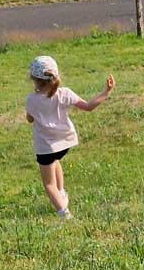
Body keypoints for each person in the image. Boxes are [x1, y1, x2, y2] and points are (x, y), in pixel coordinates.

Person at [23, 54, 114, 220]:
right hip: (64, 144)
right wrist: (106, 92)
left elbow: (30, 119)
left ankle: (64, 213)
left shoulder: (31, 99)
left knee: (49, 184)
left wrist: (32, 117)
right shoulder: (65, 93)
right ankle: (62, 192)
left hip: (46, 147)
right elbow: (88, 107)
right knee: (55, 161)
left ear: (34, 79)